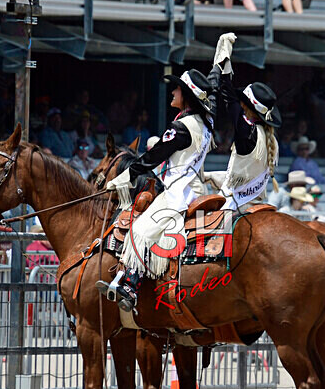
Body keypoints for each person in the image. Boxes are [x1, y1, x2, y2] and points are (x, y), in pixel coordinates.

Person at [97, 64, 218, 312]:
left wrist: (123, 178)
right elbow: (213, 89)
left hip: (176, 192)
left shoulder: (181, 128)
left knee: (140, 231)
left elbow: (153, 157)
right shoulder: (206, 124)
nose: (173, 92)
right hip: (194, 189)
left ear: (188, 97)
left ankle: (130, 286)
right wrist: (219, 64)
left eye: (178, 89)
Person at [204, 48, 283, 212]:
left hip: (235, 204)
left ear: (246, 106)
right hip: (259, 201)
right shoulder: (272, 140)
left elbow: (229, 100)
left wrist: (224, 70)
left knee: (198, 229)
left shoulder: (247, 131)